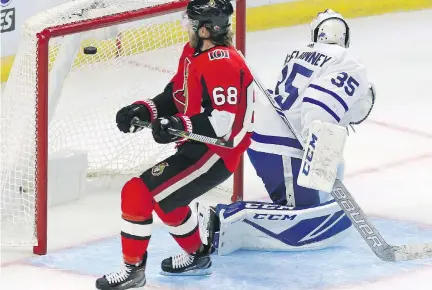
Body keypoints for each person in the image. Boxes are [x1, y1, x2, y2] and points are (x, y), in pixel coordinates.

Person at [95, 0, 255, 289]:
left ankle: (133, 270)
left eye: (191, 21)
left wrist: (181, 126)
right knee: (170, 203)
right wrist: (145, 110)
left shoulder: (223, 63)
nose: (186, 25)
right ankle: (197, 256)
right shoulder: (194, 53)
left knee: (137, 193)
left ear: (205, 29)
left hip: (216, 154)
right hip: (197, 147)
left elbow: (223, 126)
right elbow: (177, 95)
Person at [197, 9, 376, 256]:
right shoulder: (348, 61)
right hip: (282, 147)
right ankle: (224, 218)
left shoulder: (301, 51)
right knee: (304, 216)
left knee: (331, 167)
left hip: (266, 135)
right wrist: (317, 156)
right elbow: (318, 109)